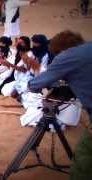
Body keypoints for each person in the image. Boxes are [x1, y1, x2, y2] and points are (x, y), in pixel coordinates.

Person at [26, 30, 91, 179]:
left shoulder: (67, 56)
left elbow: (36, 84)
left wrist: (32, 82)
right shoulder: (88, 47)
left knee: (84, 155)